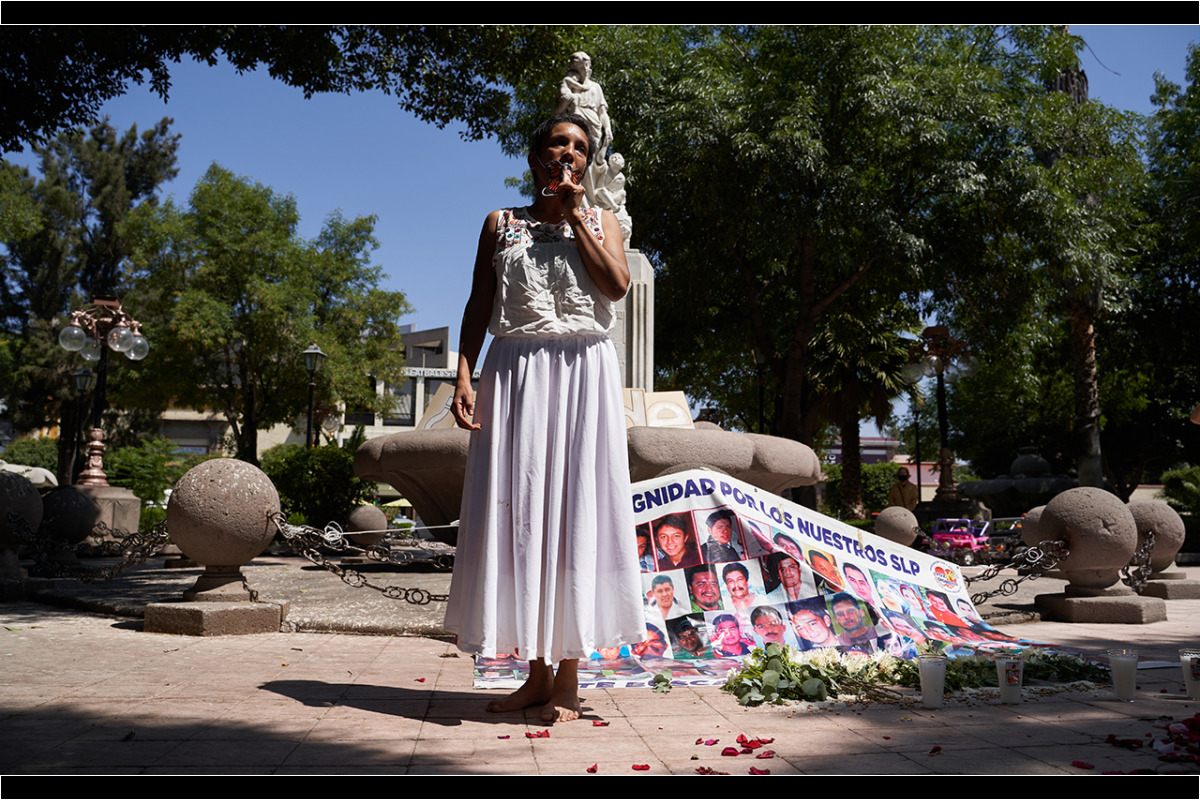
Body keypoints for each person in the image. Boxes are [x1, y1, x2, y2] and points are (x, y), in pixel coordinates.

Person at [443, 115, 644, 724]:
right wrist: (462, 372)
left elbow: (615, 286)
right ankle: (535, 675)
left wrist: (578, 213)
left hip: (583, 373)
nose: (570, 153)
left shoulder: (602, 220)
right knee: (525, 515)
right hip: (515, 373)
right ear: (535, 157)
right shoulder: (500, 223)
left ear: (588, 163)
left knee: (579, 510)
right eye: (559, 143)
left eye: (581, 147)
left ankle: (571, 678)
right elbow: (480, 300)